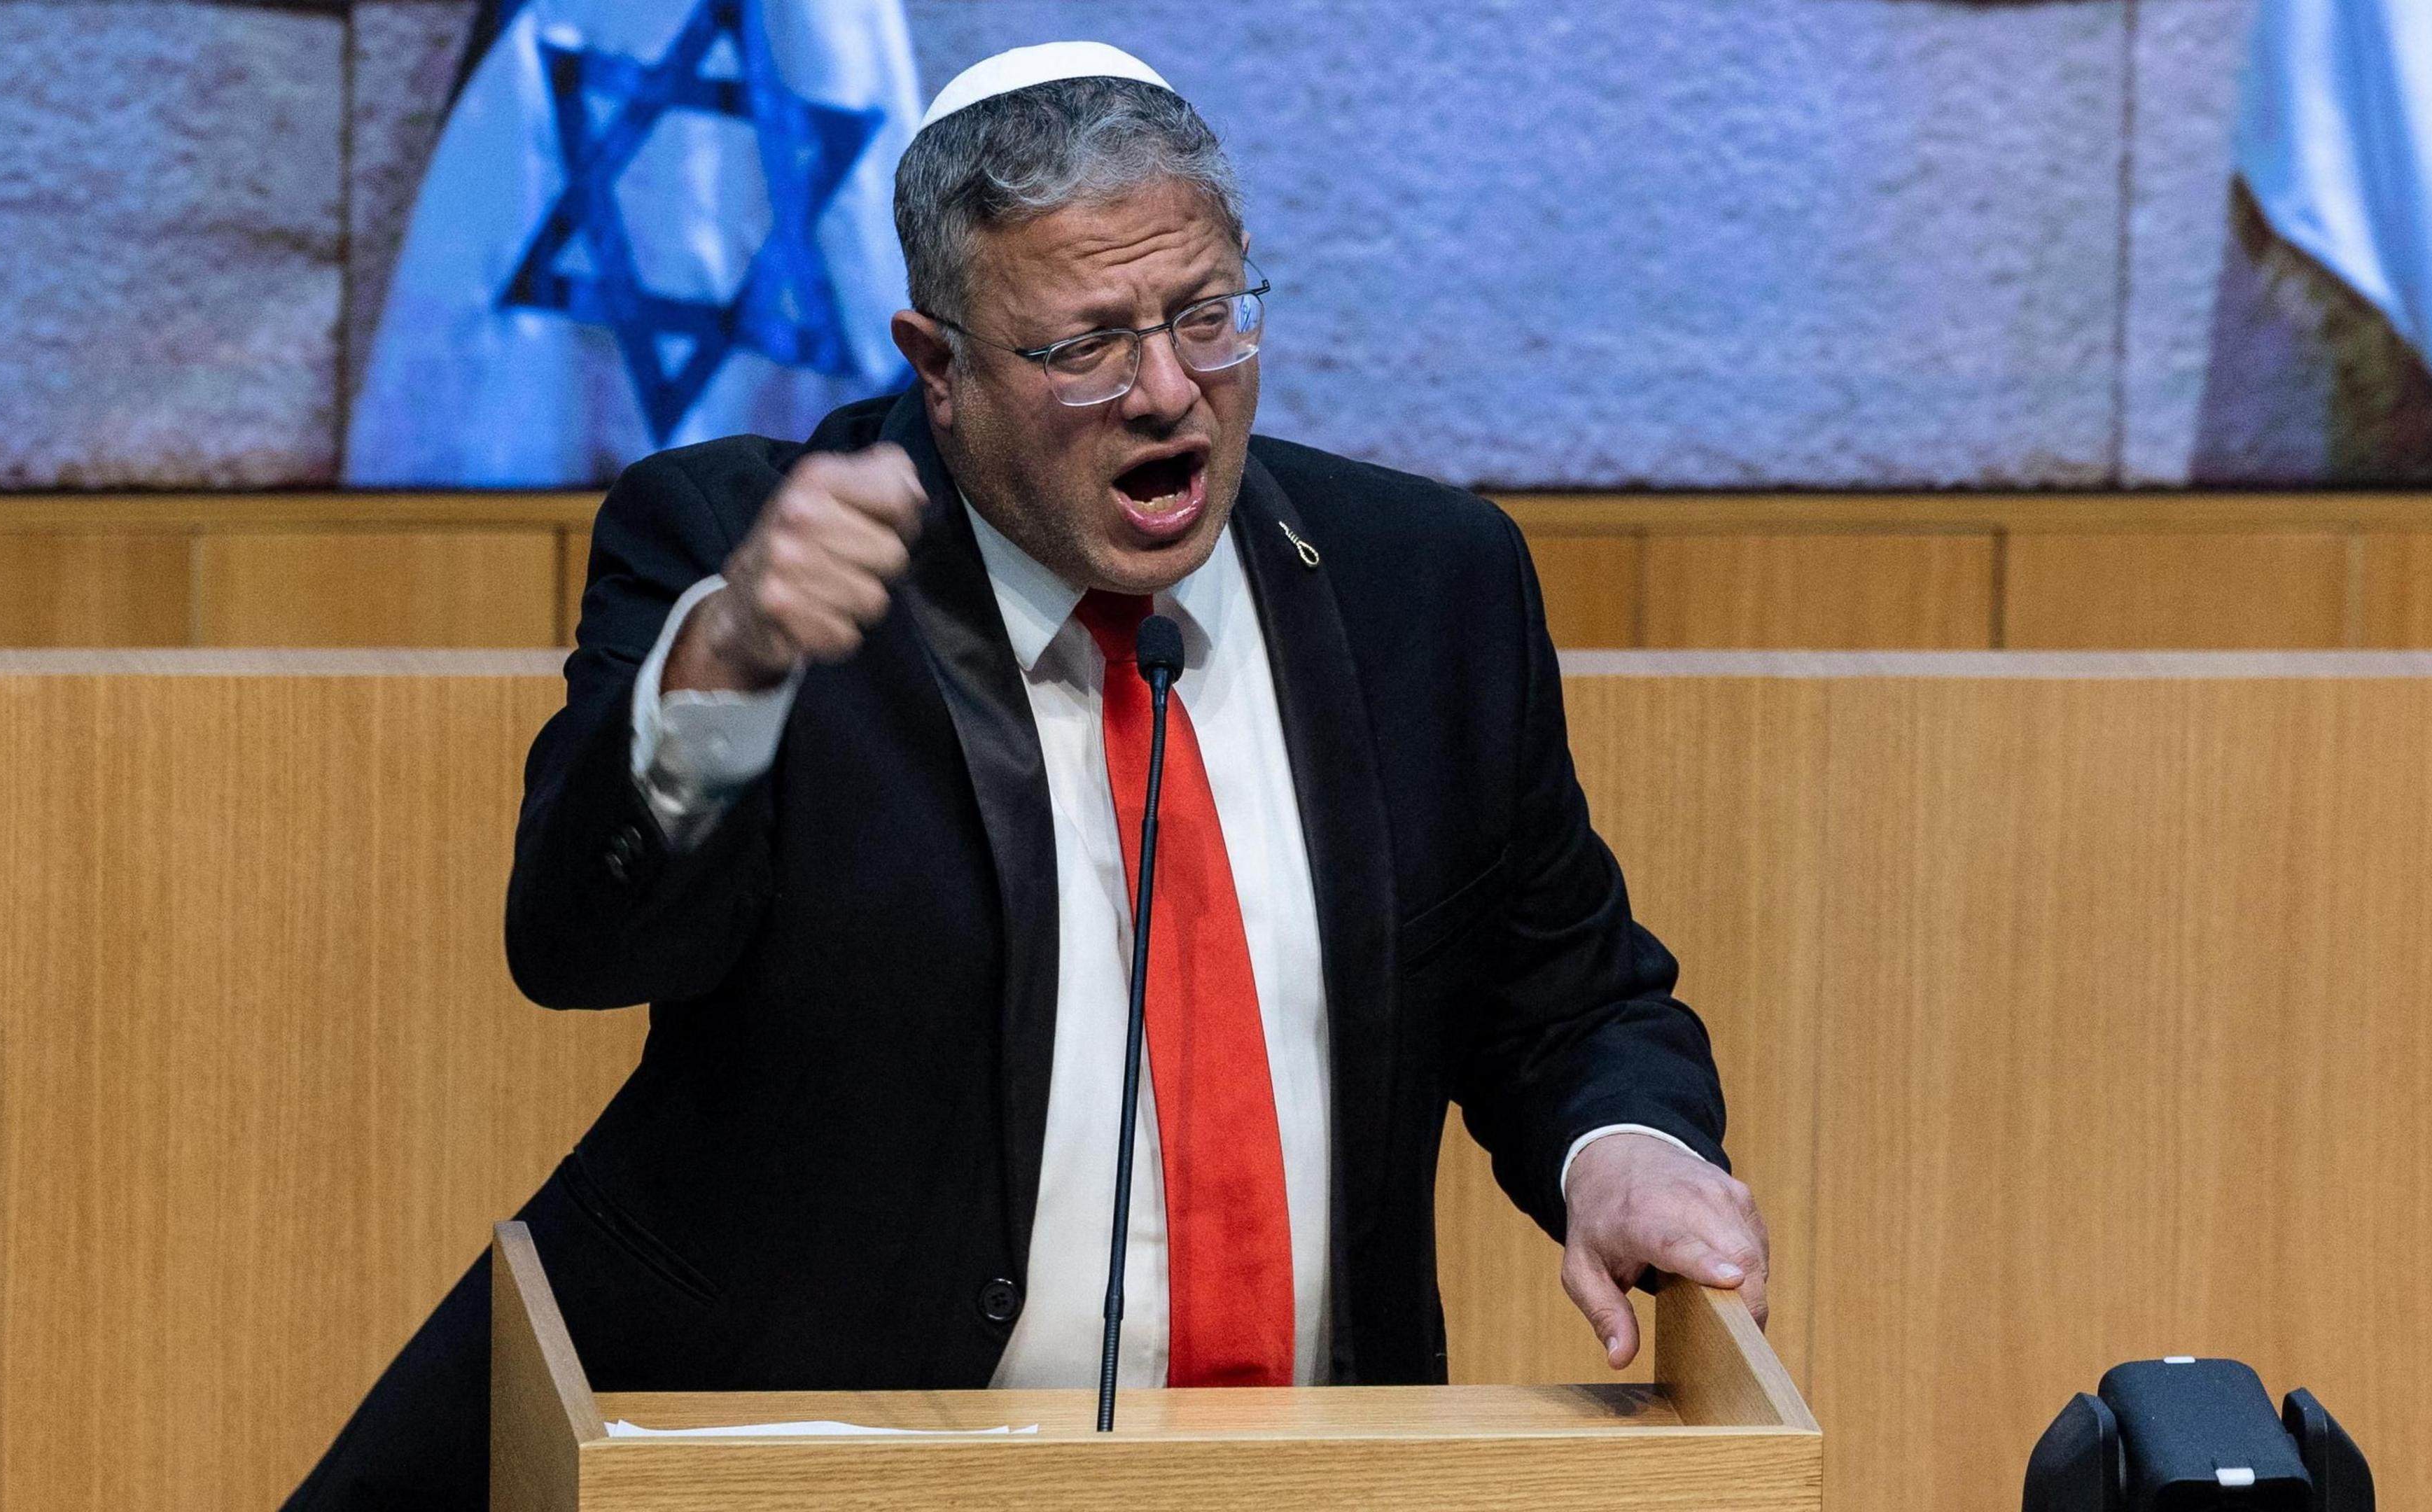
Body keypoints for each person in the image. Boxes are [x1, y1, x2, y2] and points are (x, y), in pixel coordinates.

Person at [288, 41, 1768, 1511]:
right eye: (1085, 346)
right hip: (831, 1471)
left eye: (1208, 317)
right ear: (936, 366)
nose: (1166, 392)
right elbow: (579, 943)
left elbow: (1566, 995)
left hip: (1305, 1478)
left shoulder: (1424, 585)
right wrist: (727, 663)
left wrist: (1622, 1148)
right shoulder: (759, 555)